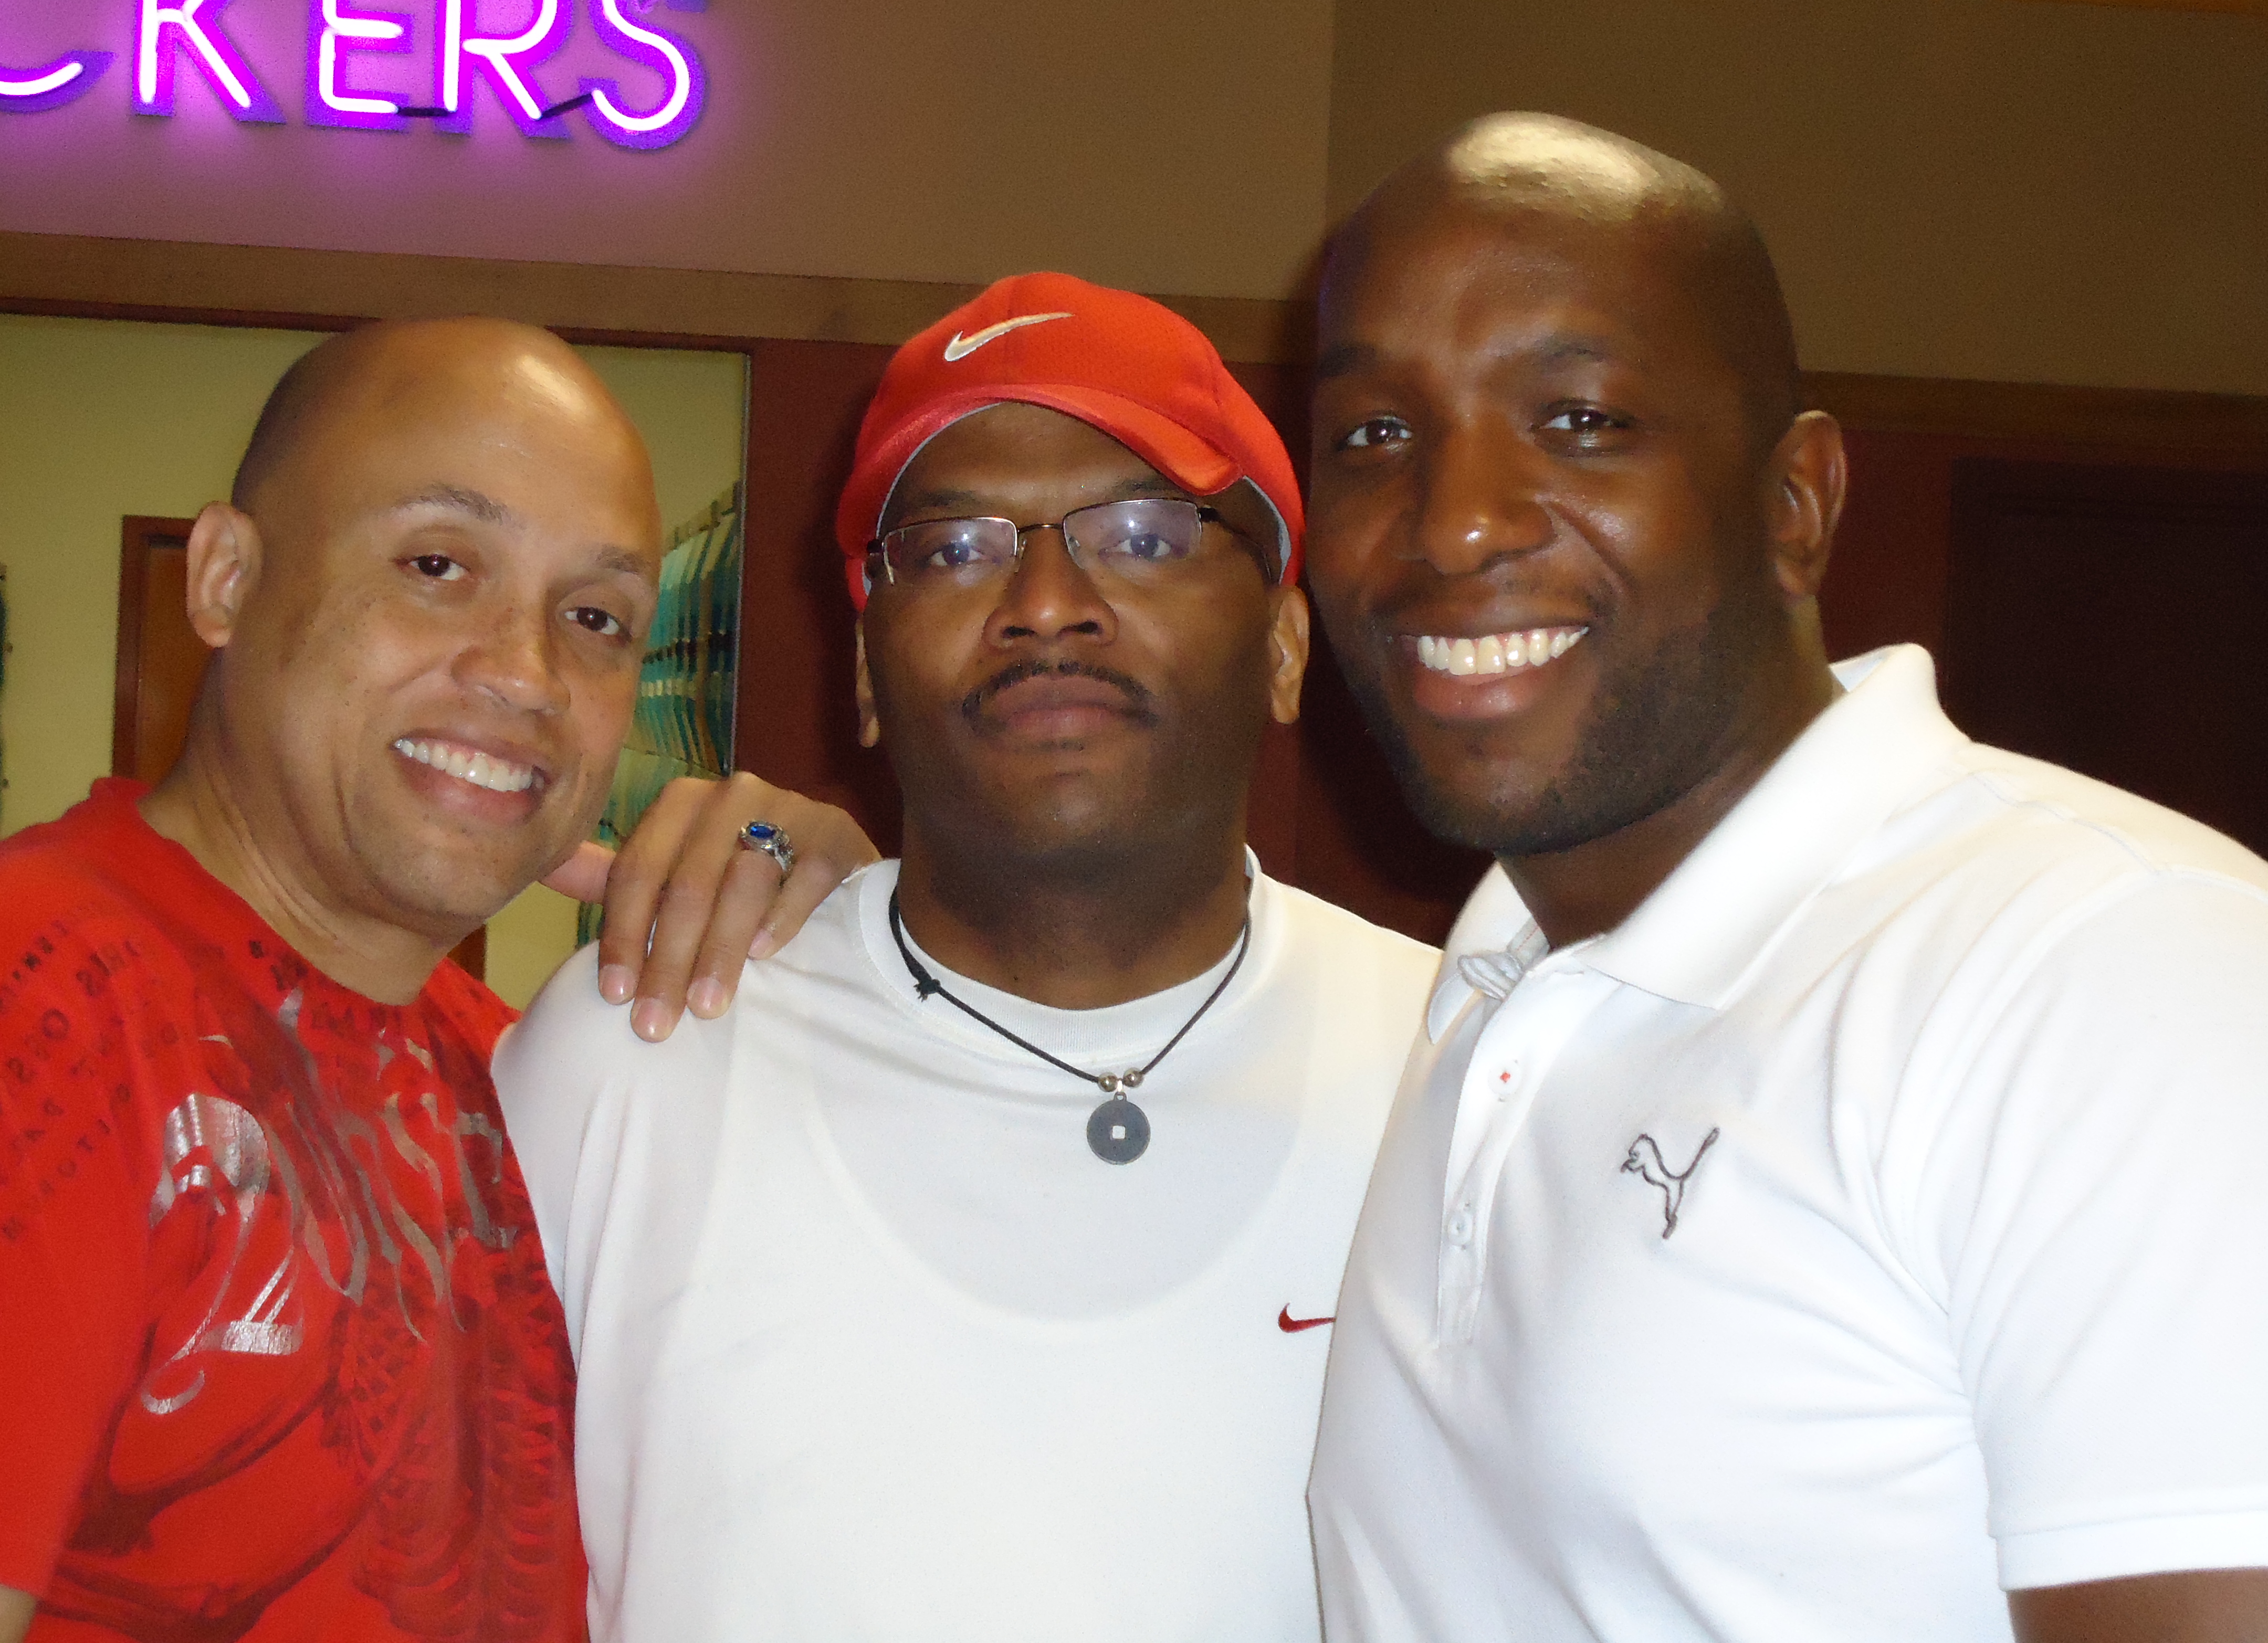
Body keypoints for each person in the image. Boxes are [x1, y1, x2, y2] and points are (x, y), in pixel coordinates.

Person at [1299, 113, 2268, 1641]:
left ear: (1794, 505)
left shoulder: (2111, 976)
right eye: (1373, 435)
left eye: (1580, 419)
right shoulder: (1487, 995)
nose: (1456, 520)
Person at [496, 273, 1440, 1642]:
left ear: (1287, 647)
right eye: (951, 550)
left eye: (1145, 534)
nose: (1046, 603)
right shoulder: (636, 1048)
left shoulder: (1459, 1077)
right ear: (864, 674)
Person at [0, 317, 871, 1643]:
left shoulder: (509, 1064)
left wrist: (865, 952)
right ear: (227, 577)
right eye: (437, 565)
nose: (526, 674)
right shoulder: (51, 996)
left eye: (595, 619)